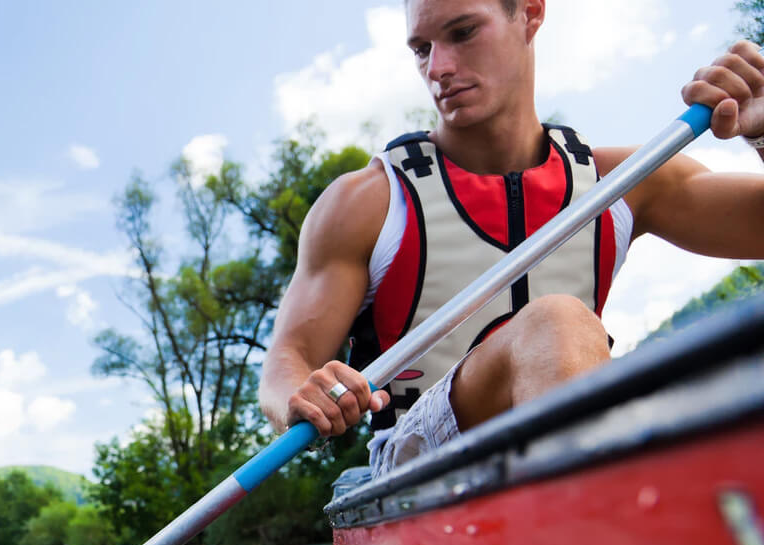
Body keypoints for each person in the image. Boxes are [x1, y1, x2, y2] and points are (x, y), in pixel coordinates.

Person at [258, 0, 764, 478]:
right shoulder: (365, 203)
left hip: (578, 431)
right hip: (417, 462)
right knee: (557, 321)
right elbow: (285, 364)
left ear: (530, 13)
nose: (437, 68)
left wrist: (762, 135)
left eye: (462, 33)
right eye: (422, 49)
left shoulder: (626, 180)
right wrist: (303, 395)